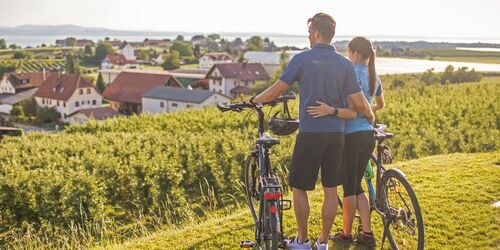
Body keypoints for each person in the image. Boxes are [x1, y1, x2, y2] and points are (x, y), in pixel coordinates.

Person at [250, 13, 374, 250]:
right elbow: (357, 103)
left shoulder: (302, 59)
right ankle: (323, 242)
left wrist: (254, 100)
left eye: (309, 32)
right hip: (337, 136)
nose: (308, 36)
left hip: (311, 135)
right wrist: (367, 115)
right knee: (331, 190)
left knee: (300, 188)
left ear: (316, 33)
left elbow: (275, 91)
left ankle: (303, 241)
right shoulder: (346, 64)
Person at [307, 36, 385, 247]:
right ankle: (367, 233)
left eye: (349, 53)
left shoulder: (351, 73)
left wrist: (358, 112)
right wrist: (368, 114)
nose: (348, 57)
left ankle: (346, 233)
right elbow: (380, 104)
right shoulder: (374, 76)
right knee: (356, 185)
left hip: (350, 136)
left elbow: (354, 104)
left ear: (356, 54)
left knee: (349, 188)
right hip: (367, 135)